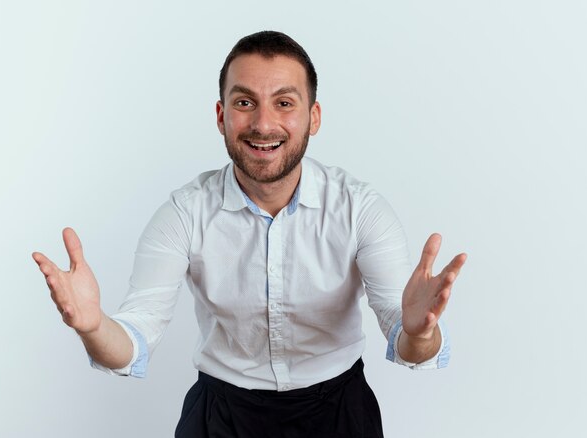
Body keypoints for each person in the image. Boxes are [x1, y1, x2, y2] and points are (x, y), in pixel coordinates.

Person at [33, 31, 466, 438]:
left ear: (313, 117)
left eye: (284, 103)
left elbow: (408, 343)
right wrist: (92, 327)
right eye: (244, 102)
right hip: (220, 415)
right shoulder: (184, 213)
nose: (263, 123)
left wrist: (420, 333)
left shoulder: (360, 209)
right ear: (221, 116)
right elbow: (132, 341)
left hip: (339, 412)